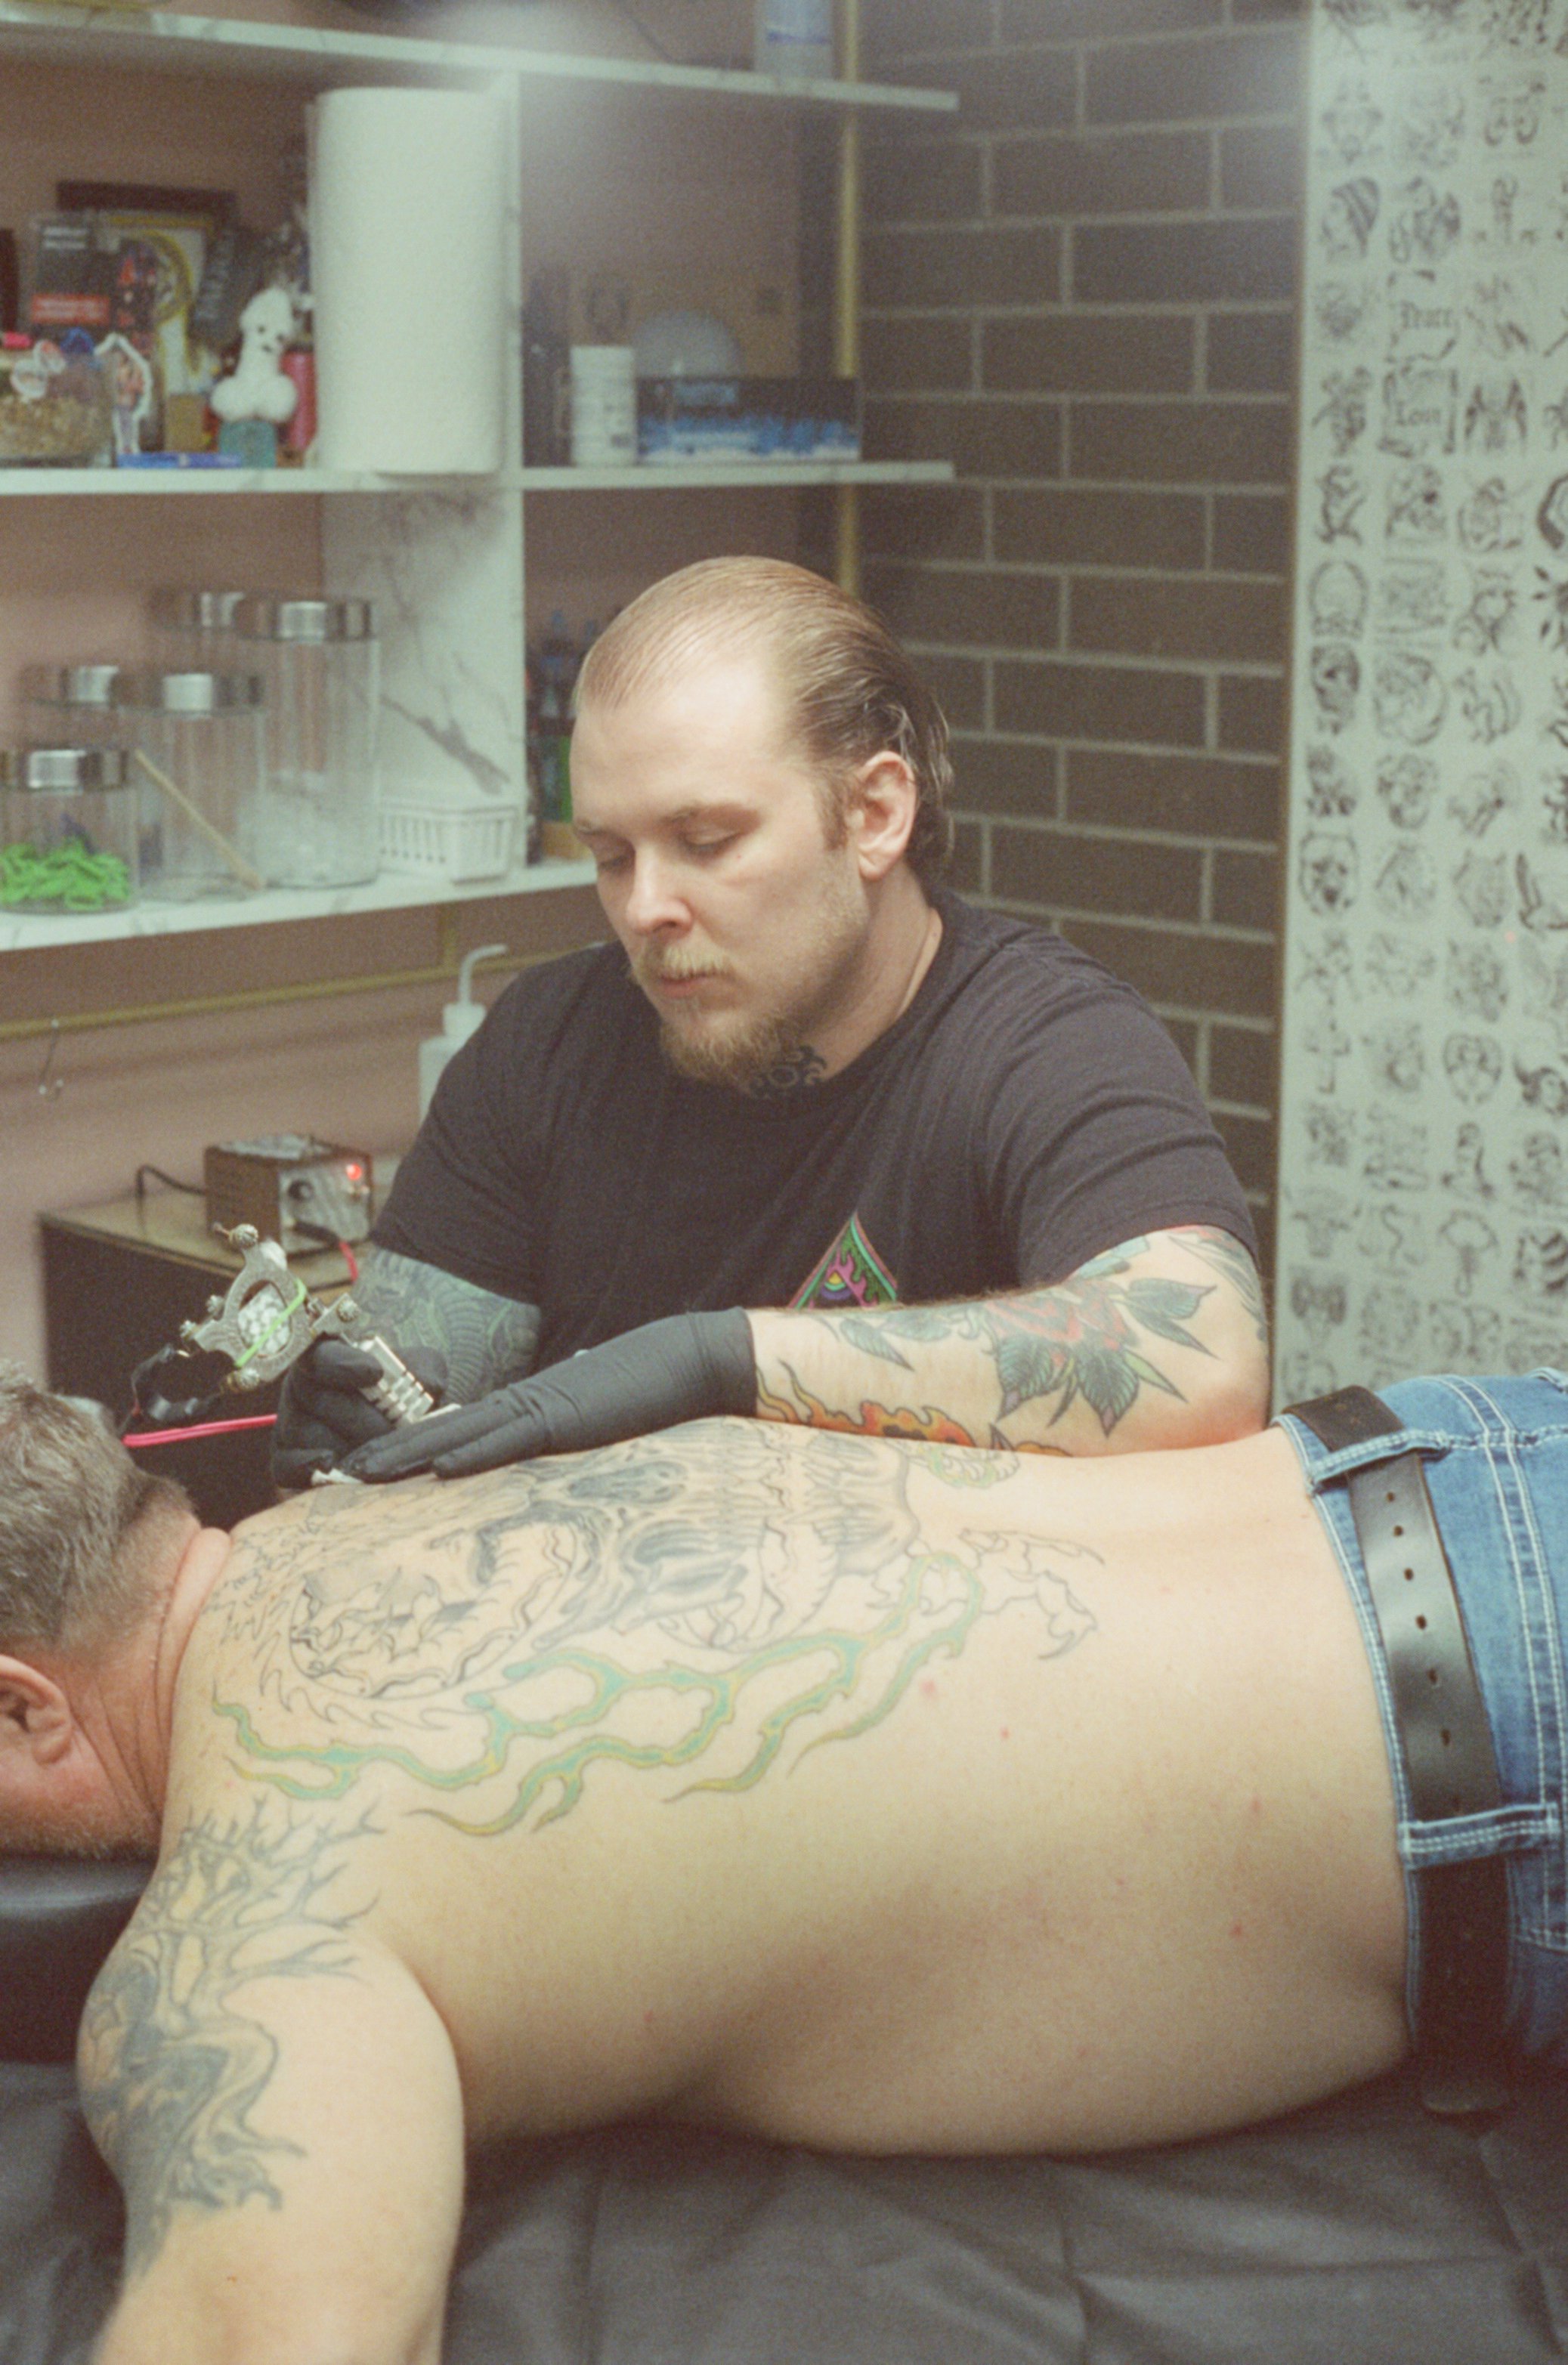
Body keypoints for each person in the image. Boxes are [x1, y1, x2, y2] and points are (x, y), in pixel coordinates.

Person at [2, 1360, 1565, 2365]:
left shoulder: (252, 1917)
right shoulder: (411, 1491)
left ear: (22, 1703)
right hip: (1469, 1439)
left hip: (1507, 1730)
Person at [277, 557, 1267, 1493]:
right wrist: (362, 1420)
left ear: (875, 813)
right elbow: (407, 1397)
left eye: (706, 842)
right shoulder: (547, 1046)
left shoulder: (1042, 1043)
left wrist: (722, 1364)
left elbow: (1208, 1363)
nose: (647, 907)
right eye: (613, 855)